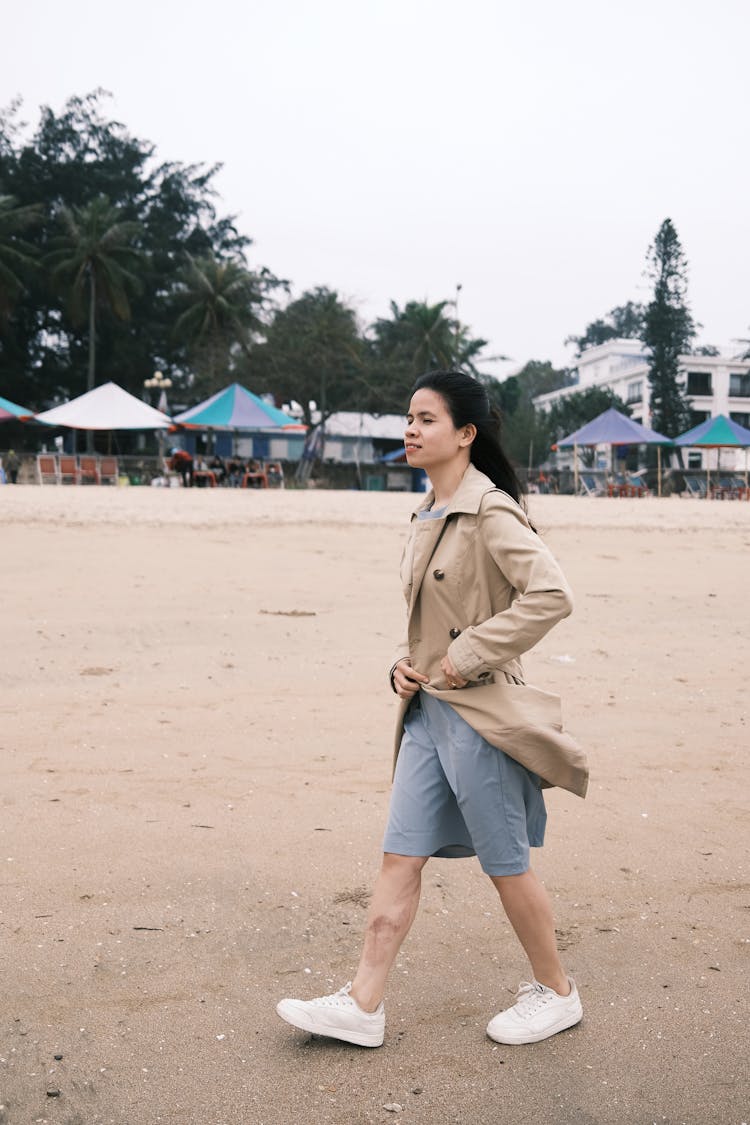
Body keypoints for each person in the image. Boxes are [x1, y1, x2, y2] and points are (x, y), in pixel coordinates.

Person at [276, 370, 588, 1049]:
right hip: (425, 713)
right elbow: (429, 617)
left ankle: (557, 991)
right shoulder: (425, 512)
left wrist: (468, 652)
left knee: (505, 862)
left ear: (465, 434)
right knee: (399, 857)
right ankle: (362, 1004)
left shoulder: (492, 512)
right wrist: (403, 660)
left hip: (482, 716)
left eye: (426, 418)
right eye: (408, 417)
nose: (410, 429)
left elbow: (551, 595)